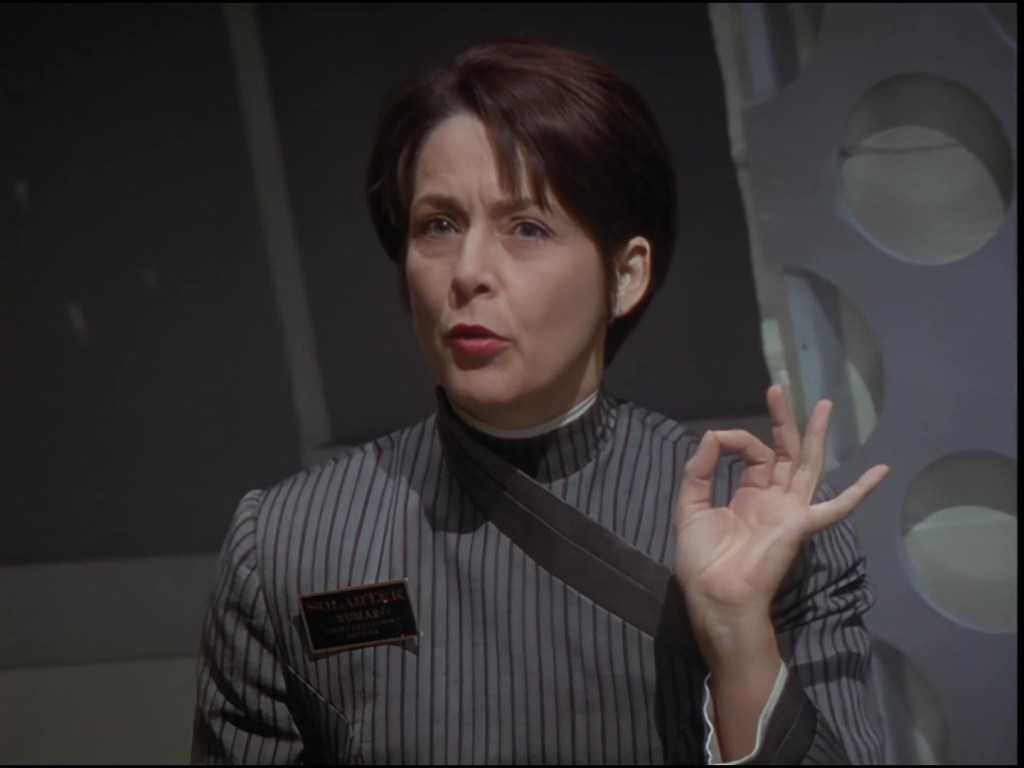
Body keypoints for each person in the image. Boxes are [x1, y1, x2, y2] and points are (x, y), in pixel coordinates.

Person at [191, 37, 889, 765]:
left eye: (526, 227)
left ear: (626, 276)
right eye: (438, 225)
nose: (468, 272)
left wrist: (737, 632)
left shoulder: (764, 527)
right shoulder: (289, 543)